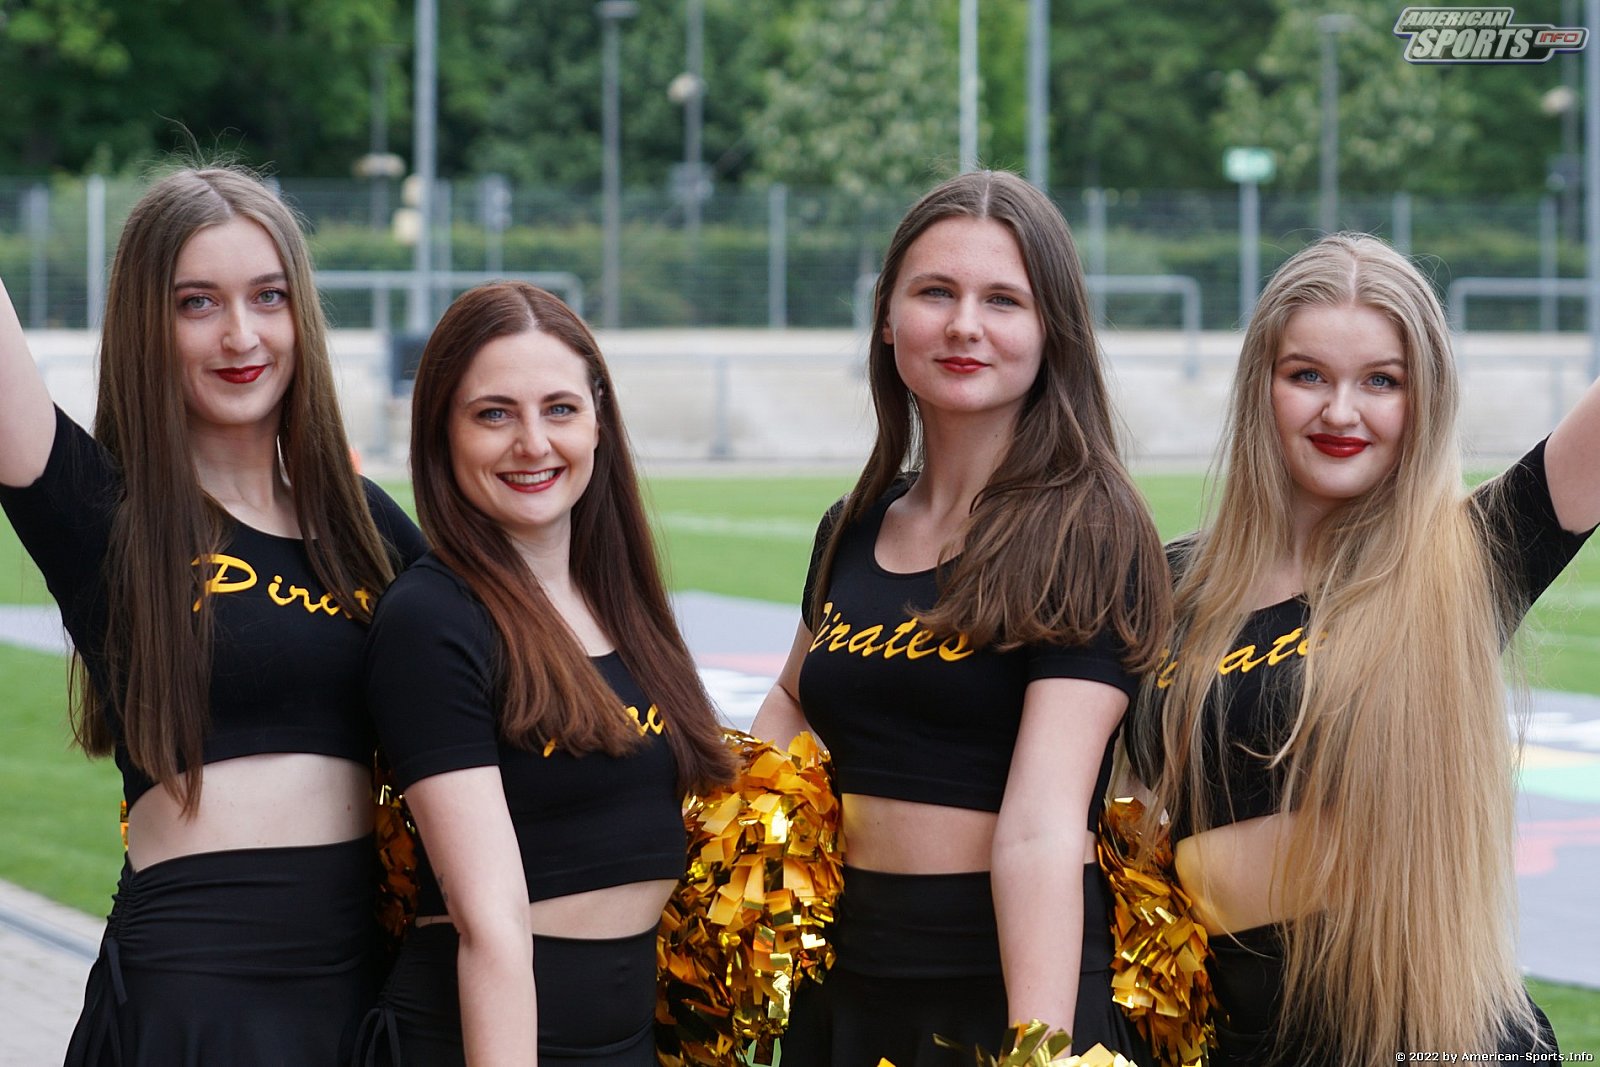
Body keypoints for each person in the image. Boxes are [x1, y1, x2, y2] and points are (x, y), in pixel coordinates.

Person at [1127, 233, 1598, 1066]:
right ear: (1260, 387)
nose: (1341, 412)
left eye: (1382, 380)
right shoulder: (1173, 582)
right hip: (1232, 1044)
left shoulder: (1464, 562)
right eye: (1307, 375)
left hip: (1429, 1042)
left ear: (1424, 399)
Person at [0, 166, 427, 1064]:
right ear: (146, 324)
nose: (241, 335)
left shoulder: (366, 527)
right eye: (197, 302)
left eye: (268, 296)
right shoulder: (102, 513)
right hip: (190, 1007)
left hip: (360, 1000)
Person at [751, 170, 1171, 1065]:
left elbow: (1044, 822)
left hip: (1003, 986)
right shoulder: (854, 523)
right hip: (846, 981)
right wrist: (762, 847)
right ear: (887, 315)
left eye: (1003, 300)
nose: (964, 325)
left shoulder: (1087, 530)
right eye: (935, 292)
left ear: (1052, 328)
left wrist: (1039, 1050)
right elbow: (791, 697)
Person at [356, 281, 734, 1065]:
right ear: (443, 433)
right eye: (494, 414)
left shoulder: (622, 604)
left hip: (625, 1040)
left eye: (560, 408)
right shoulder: (433, 618)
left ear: (599, 420)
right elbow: (490, 922)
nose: (533, 443)